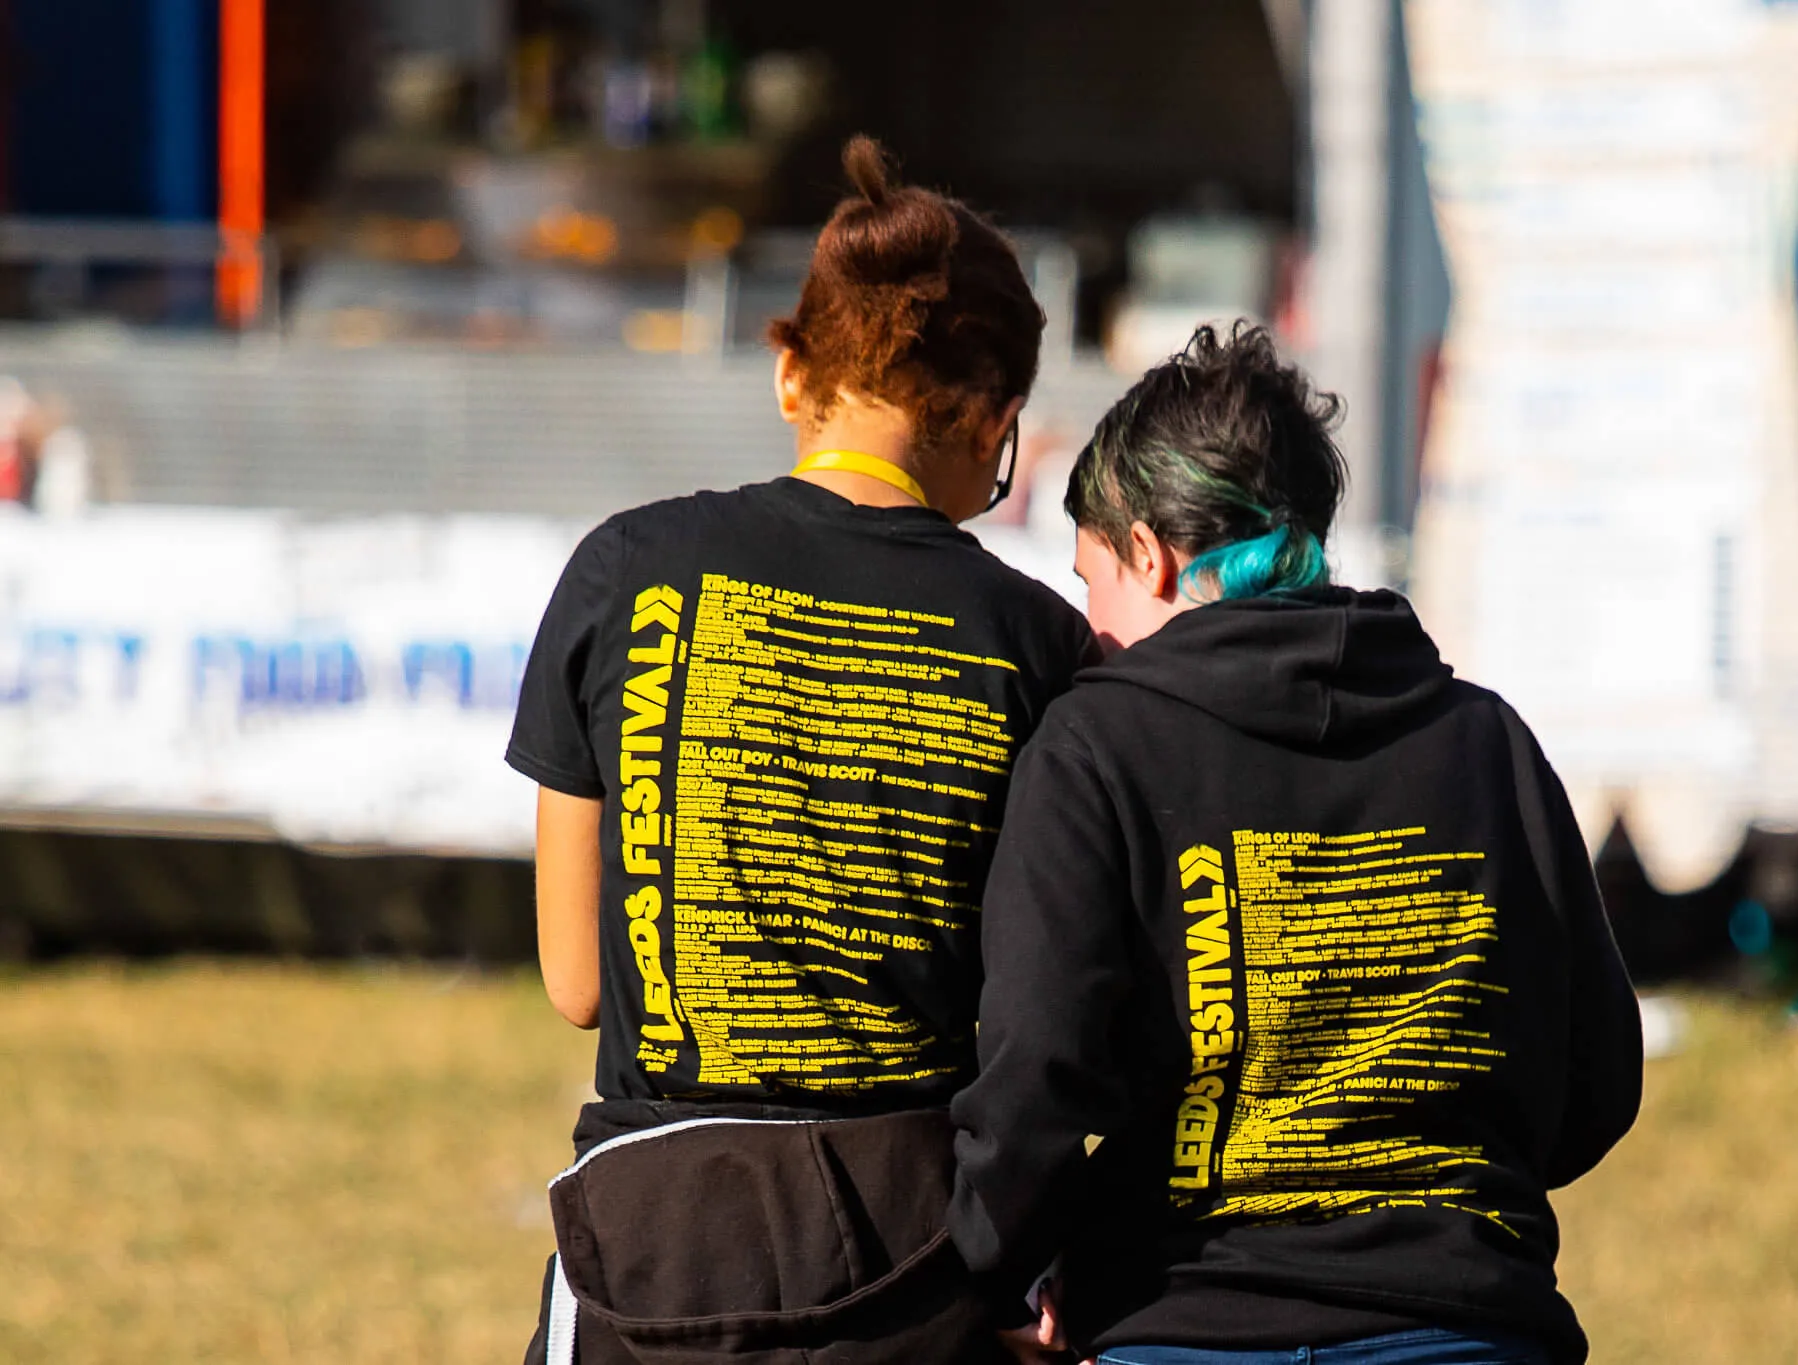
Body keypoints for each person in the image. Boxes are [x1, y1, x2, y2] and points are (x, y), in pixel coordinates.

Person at [506, 136, 1095, 1365]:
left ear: (790, 374)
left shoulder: (626, 570)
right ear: (994, 421)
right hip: (921, 1254)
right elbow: (1039, 1015)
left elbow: (575, 983)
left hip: (652, 1244)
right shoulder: (1036, 642)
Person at [948, 324, 1643, 1365]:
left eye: (1093, 584)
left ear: (1149, 550)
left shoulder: (1097, 744)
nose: (1087, 630)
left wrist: (995, 1270)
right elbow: (1596, 1080)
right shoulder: (1482, 739)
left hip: (1183, 1326)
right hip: (1465, 1321)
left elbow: (1034, 1065)